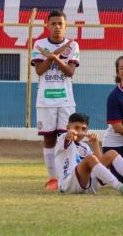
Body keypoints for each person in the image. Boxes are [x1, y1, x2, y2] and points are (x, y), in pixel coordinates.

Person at [31, 10, 80, 190]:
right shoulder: (39, 44)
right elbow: (39, 70)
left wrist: (52, 56)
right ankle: (53, 178)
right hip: (45, 100)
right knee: (49, 139)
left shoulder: (72, 45)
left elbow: (70, 72)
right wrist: (52, 57)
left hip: (66, 100)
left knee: (67, 137)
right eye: (53, 23)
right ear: (48, 25)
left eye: (60, 23)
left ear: (65, 26)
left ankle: (67, 175)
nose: (57, 27)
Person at [55, 113, 123, 195]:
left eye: (84, 128)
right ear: (68, 127)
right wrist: (70, 134)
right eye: (76, 128)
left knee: (111, 154)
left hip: (86, 185)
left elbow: (99, 165)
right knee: (90, 159)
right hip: (68, 184)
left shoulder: (84, 146)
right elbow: (68, 137)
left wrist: (95, 143)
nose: (80, 131)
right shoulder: (62, 138)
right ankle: (120, 186)